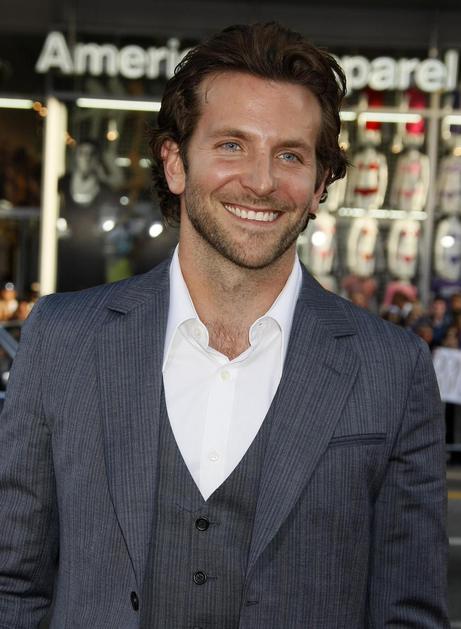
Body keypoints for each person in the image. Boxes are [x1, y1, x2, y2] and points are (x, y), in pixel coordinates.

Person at [0, 22, 448, 628]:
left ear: (320, 184)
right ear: (175, 163)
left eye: (290, 155)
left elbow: (407, 615)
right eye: (232, 145)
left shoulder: (391, 367)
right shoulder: (64, 338)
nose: (261, 182)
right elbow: (12, 585)